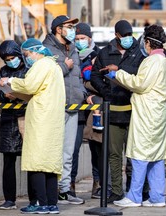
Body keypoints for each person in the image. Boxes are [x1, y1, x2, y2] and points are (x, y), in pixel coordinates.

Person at [102, 24, 166, 207]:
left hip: (147, 114)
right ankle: (157, 197)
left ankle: (134, 196)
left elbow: (139, 84)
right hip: (159, 114)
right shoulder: (164, 61)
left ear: (148, 42)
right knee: (156, 157)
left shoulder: (152, 61)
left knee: (139, 154)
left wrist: (117, 74)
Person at [0, 38, 65, 214]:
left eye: (27, 54)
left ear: (35, 51)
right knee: (50, 165)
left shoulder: (41, 65)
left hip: (41, 120)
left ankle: (41, 204)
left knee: (35, 162)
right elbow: (37, 91)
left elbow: (29, 85)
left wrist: (9, 82)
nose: (27, 58)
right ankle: (52, 204)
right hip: (53, 121)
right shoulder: (54, 67)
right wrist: (18, 93)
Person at [91, 19, 146, 203]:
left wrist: (120, 71)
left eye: (131, 35)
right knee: (114, 155)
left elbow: (141, 75)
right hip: (113, 112)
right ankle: (116, 190)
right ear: (117, 35)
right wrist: (106, 92)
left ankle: (134, 190)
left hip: (133, 112)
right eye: (125, 36)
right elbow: (95, 75)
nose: (129, 39)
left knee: (133, 155)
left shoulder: (138, 53)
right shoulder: (105, 53)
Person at [43, 15, 85, 205]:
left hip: (73, 105)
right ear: (58, 29)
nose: (72, 30)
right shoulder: (47, 48)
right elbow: (45, 74)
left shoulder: (73, 48)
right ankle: (54, 190)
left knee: (68, 152)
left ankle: (65, 190)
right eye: (69, 26)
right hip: (55, 107)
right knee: (55, 151)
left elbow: (78, 77)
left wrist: (83, 93)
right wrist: (64, 66)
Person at [70, 22, 103, 198]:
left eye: (82, 38)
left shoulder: (98, 55)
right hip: (76, 110)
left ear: (89, 38)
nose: (80, 42)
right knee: (73, 150)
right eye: (77, 39)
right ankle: (71, 184)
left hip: (93, 110)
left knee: (96, 149)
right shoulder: (71, 54)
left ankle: (97, 184)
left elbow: (101, 82)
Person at [0, 40, 28, 210]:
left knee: (31, 161)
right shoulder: (3, 71)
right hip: (8, 120)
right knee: (8, 161)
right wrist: (4, 96)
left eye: (12, 57)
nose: (10, 61)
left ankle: (35, 197)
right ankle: (9, 199)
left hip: (26, 118)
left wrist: (18, 94)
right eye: (6, 58)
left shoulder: (28, 70)